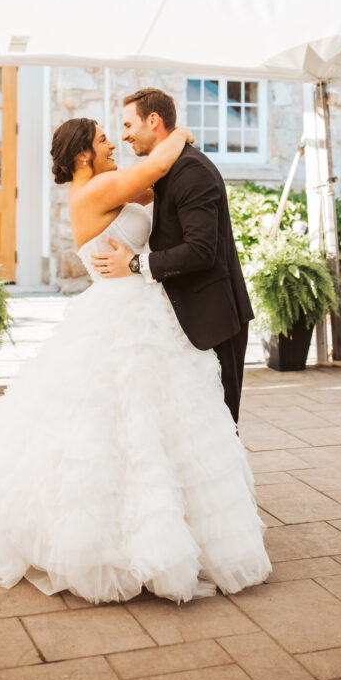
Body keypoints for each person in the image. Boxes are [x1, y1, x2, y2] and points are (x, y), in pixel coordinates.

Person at [0, 116, 270, 604]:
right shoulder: (95, 189)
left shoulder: (107, 187)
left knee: (157, 423)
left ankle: (167, 529)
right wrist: (180, 134)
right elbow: (157, 166)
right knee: (124, 422)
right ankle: (128, 541)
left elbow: (156, 191)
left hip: (144, 305)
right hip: (122, 312)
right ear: (83, 154)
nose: (113, 144)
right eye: (104, 139)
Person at [91, 88, 253, 426]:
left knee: (220, 427)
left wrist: (134, 264)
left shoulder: (191, 171)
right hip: (185, 316)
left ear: (153, 120)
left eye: (128, 125)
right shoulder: (167, 169)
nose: (123, 136)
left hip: (213, 318)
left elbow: (201, 250)